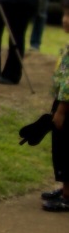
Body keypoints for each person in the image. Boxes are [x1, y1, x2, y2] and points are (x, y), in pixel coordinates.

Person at [42, 12, 69, 211]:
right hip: (62, 103)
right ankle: (65, 187)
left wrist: (61, 110)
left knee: (64, 148)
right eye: (65, 14)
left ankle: (67, 195)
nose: (65, 19)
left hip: (66, 106)